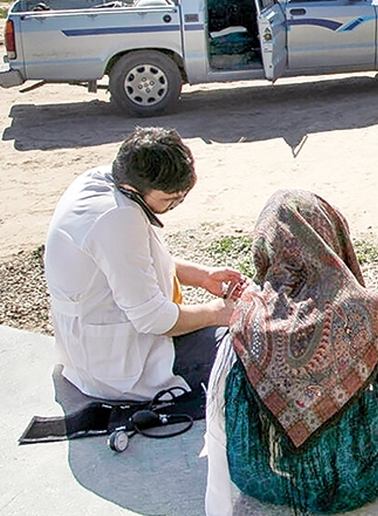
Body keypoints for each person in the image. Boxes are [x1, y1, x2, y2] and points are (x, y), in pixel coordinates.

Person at [204, 190, 378, 516]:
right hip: (368, 473)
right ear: (330, 235)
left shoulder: (247, 318)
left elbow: (236, 418)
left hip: (276, 481)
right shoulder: (366, 311)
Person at [43, 127, 246, 402]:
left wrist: (202, 276)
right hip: (123, 368)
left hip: (95, 347)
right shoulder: (117, 219)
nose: (177, 204)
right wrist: (216, 313)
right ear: (133, 189)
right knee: (245, 349)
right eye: (169, 199)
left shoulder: (103, 181)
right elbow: (154, 318)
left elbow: (133, 263)